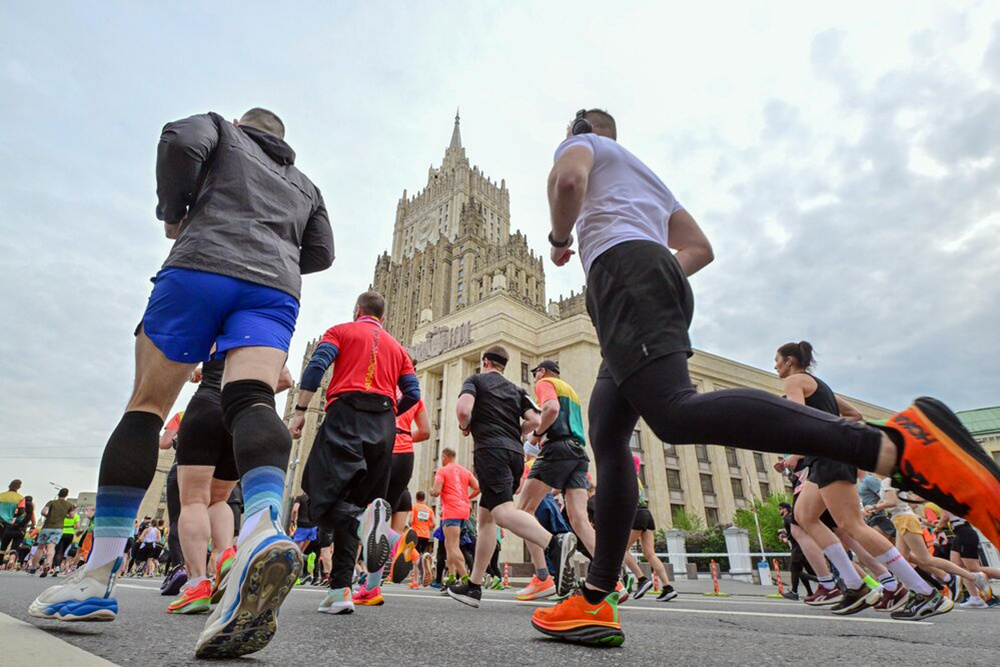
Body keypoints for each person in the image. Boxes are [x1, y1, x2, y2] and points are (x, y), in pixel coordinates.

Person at [532, 108, 1000, 646]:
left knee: (673, 413)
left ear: (578, 131)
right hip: (645, 279)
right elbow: (700, 249)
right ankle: (595, 598)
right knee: (608, 432)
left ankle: (895, 445)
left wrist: (560, 237)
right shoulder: (643, 176)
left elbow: (566, 181)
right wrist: (658, 272)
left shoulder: (582, 146)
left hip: (622, 274)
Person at [29, 108, 334, 661]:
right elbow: (322, 253)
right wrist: (276, 251)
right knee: (253, 399)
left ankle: (95, 580)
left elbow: (178, 139)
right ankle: (261, 530)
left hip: (202, 264)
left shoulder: (220, 128)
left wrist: (176, 214)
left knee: (146, 407)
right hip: (273, 291)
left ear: (244, 124)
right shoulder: (304, 184)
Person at [289, 290, 420, 615]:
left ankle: (365, 523)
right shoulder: (398, 348)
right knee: (357, 501)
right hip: (384, 425)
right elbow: (413, 394)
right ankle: (339, 590)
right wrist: (389, 415)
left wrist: (301, 408)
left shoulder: (340, 331)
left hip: (345, 415)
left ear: (357, 310)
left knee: (318, 495)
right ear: (382, 317)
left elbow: (317, 366)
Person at [773, 342, 909, 616]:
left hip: (829, 458)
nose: (774, 366)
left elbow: (799, 418)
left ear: (789, 361)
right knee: (804, 517)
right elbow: (855, 415)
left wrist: (796, 453)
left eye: (776, 360)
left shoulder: (794, 381)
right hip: (824, 459)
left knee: (852, 527)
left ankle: (911, 588)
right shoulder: (821, 387)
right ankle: (848, 584)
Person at [446, 345, 577, 609]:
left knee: (503, 512)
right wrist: (516, 431)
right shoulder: (517, 390)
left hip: (490, 451)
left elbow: (463, 410)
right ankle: (473, 586)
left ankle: (555, 544)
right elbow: (536, 419)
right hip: (515, 455)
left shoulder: (475, 381)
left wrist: (465, 427)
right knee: (486, 518)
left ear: (485, 362)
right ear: (503, 366)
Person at [513, 360, 595, 601]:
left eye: (535, 374)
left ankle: (542, 578)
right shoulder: (570, 390)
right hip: (579, 452)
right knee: (580, 520)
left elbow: (550, 410)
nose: (536, 379)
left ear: (540, 372)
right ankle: (611, 578)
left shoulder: (546, 383)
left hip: (557, 448)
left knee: (524, 512)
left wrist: (537, 435)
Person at [627, 457, 677, 602]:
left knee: (622, 550)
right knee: (650, 553)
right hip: (646, 514)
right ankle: (668, 587)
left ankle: (641, 579)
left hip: (636, 514)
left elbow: (629, 498)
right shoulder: (637, 479)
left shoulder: (627, 477)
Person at [431, 448, 479, 586]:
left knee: (452, 546)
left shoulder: (443, 470)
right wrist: (466, 498)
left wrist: (431, 491)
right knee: (449, 545)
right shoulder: (465, 471)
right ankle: (451, 576)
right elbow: (478, 487)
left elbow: (436, 491)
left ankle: (465, 579)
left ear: (444, 456)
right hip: (464, 512)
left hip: (451, 511)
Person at [390, 380, 430, 533]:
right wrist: (405, 435)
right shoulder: (415, 396)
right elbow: (425, 432)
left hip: (384, 446)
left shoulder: (383, 386)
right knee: (401, 492)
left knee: (375, 503)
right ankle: (395, 542)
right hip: (405, 454)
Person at [937, 510, 1000, 608]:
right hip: (959, 533)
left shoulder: (944, 498)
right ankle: (975, 597)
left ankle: (979, 597)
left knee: (974, 568)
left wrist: (938, 527)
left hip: (964, 532)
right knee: (958, 567)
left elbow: (945, 517)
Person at [30, 488, 73, 577]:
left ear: (58, 494)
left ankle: (33, 568)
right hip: (58, 529)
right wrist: (64, 516)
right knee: (51, 547)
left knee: (40, 547)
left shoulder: (51, 502)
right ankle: (48, 564)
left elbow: (43, 512)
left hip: (46, 528)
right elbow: (71, 516)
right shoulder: (69, 505)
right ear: (66, 495)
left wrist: (47, 515)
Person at [777, 502, 814, 600]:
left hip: (798, 547)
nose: (779, 511)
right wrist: (785, 532)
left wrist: (785, 538)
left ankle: (794, 592)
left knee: (794, 569)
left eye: (780, 508)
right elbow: (796, 529)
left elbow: (795, 532)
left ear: (785, 509)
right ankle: (811, 592)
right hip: (802, 546)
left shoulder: (787, 518)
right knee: (807, 571)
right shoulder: (791, 517)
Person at [410, 491, 437, 586]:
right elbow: (434, 523)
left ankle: (415, 581)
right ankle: (430, 567)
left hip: (416, 534)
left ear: (416, 498)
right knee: (422, 556)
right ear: (424, 498)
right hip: (426, 535)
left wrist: (413, 526)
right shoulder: (429, 509)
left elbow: (410, 521)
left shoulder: (414, 507)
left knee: (416, 558)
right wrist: (426, 526)